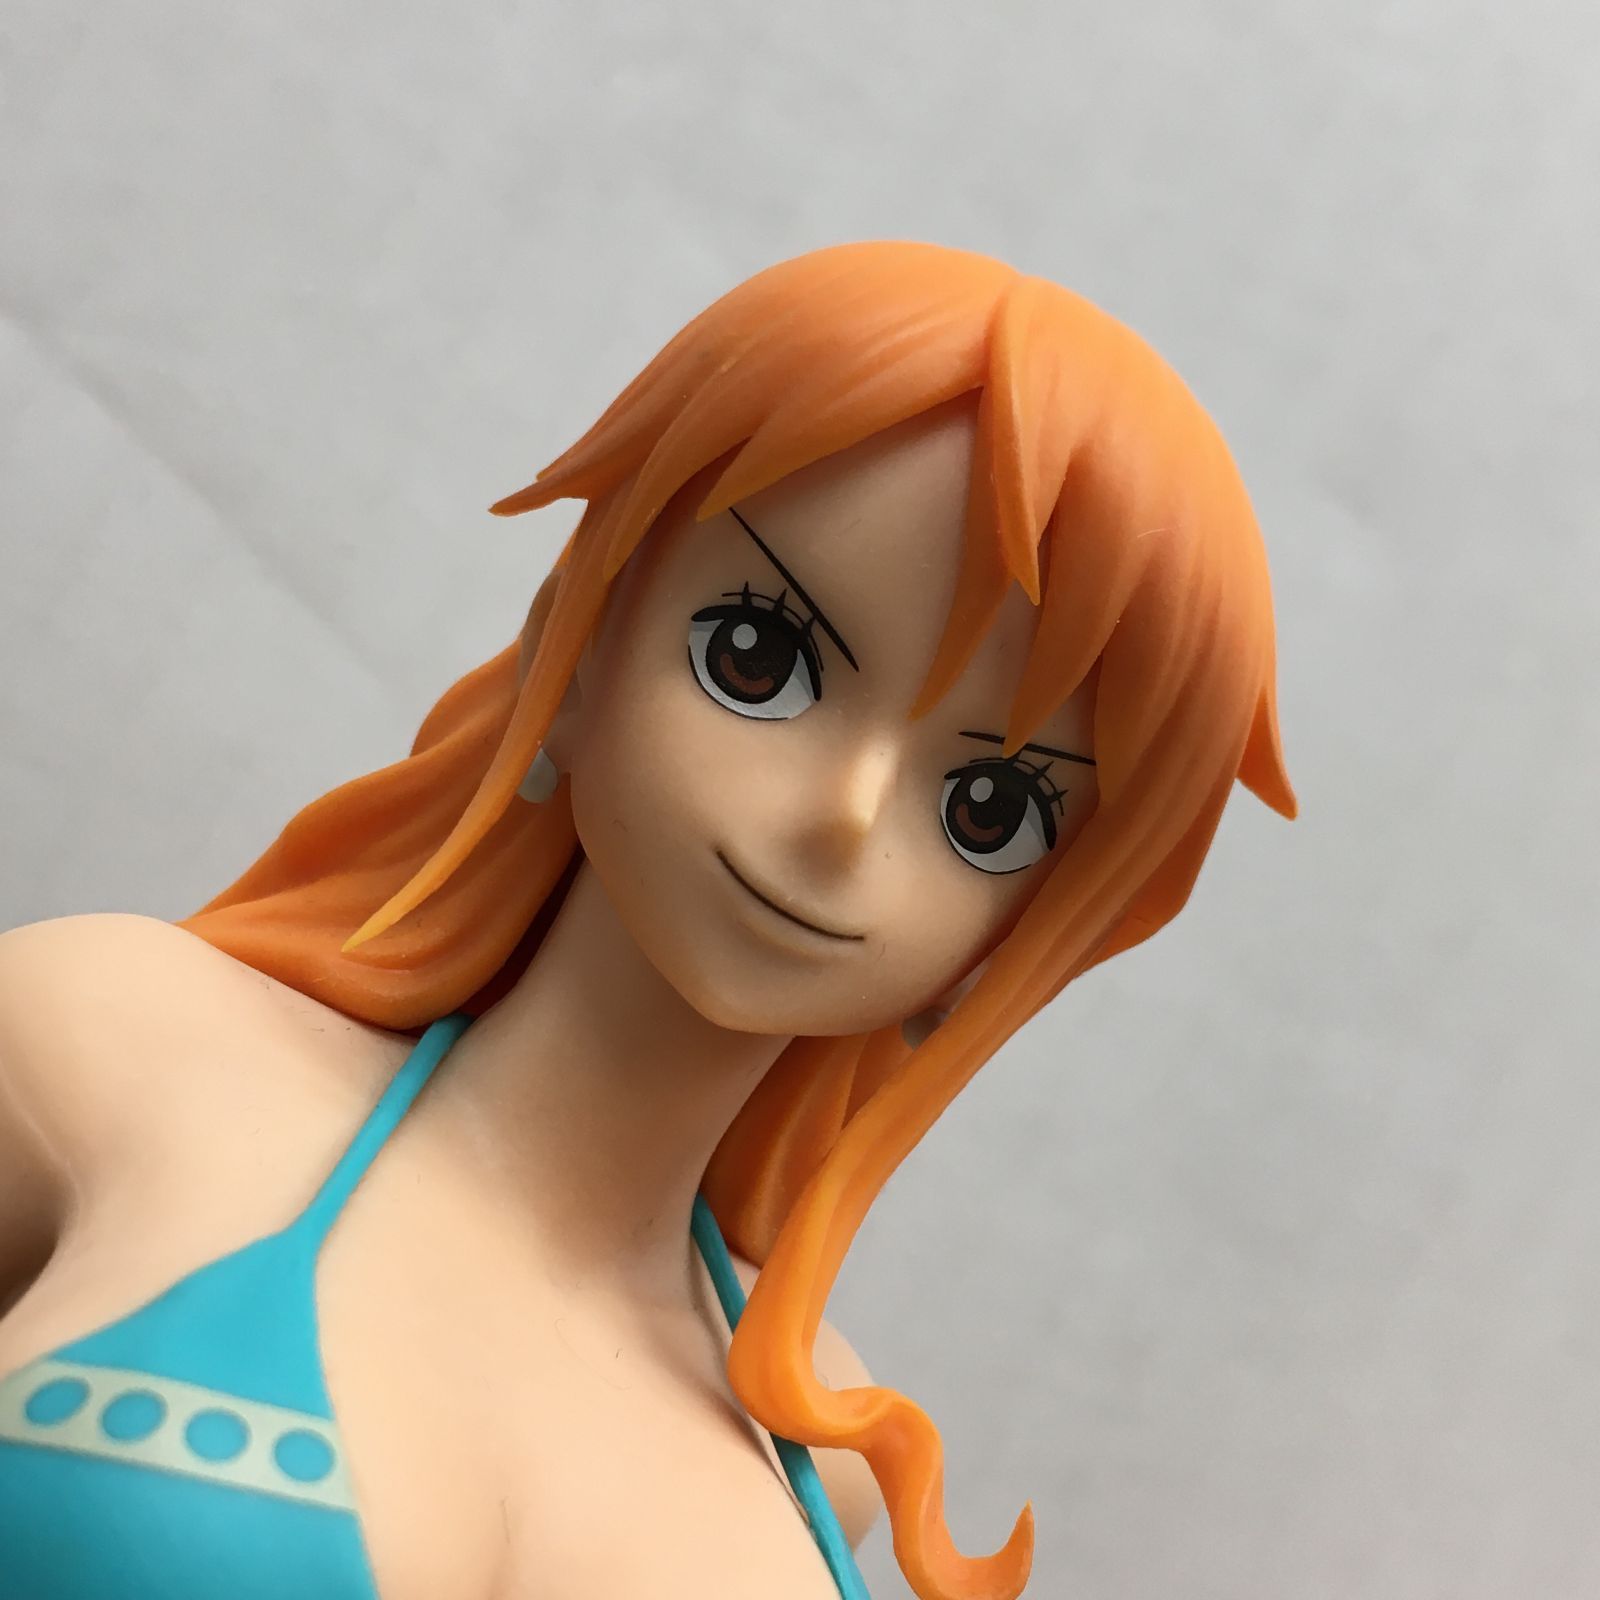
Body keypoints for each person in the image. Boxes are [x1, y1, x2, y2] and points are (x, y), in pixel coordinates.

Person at [0, 241, 1295, 1600]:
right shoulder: (110, 1049)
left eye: (989, 807)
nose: (847, 815)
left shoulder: (820, 1453)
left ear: (1027, 931)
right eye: (758, 654)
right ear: (580, 642)